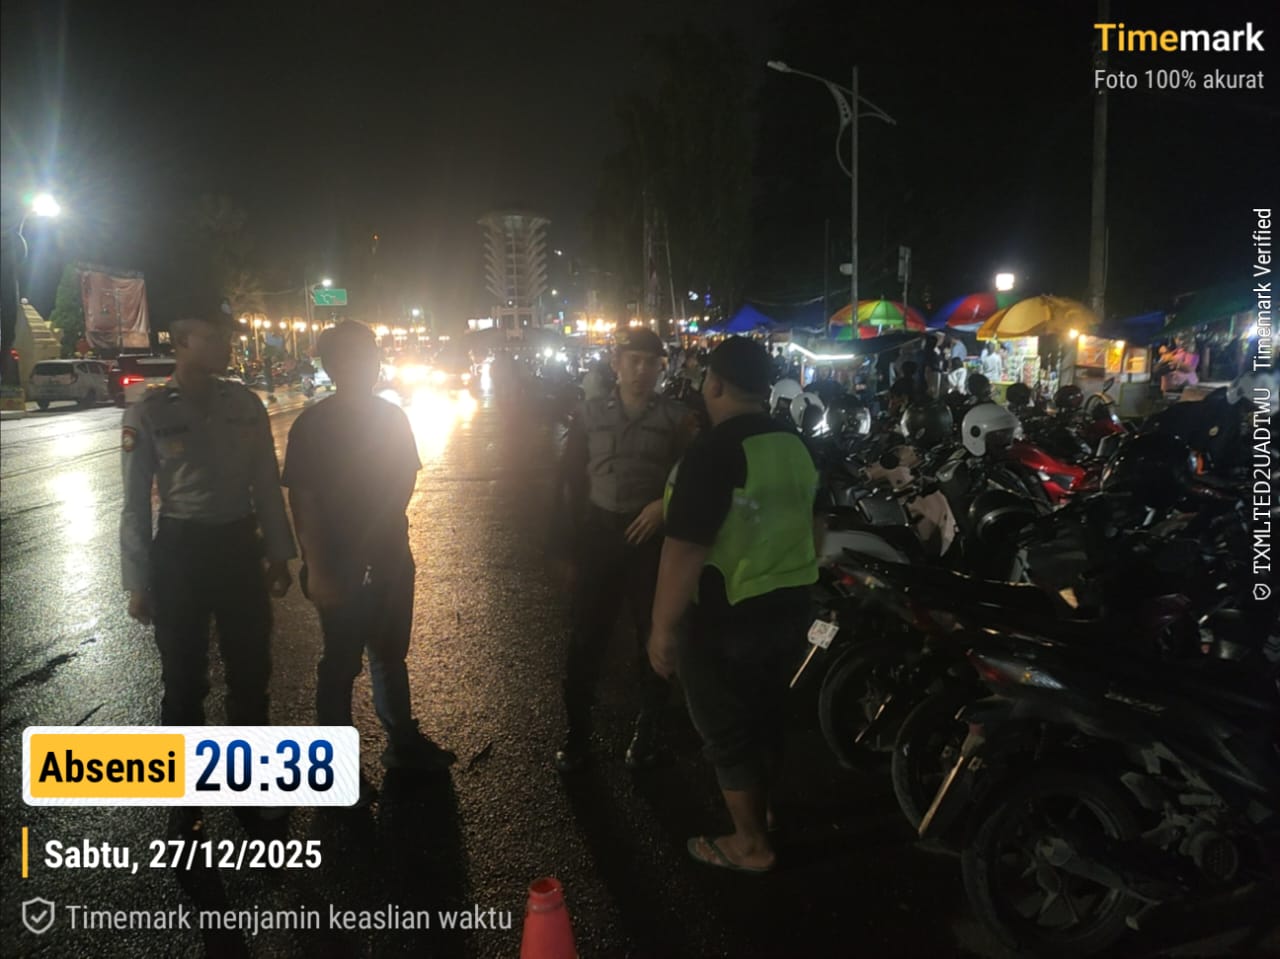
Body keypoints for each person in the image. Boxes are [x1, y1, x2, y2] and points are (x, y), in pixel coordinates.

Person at [648, 336, 819, 873]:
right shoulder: (797, 442)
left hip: (727, 617)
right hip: (790, 608)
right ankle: (762, 813)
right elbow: (818, 524)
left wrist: (661, 628)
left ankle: (751, 845)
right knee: (767, 718)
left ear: (715, 384)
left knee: (726, 732)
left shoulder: (714, 451)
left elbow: (684, 550)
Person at [281, 321, 455, 790]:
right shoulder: (313, 426)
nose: (369, 364)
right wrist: (318, 567)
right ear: (335, 365)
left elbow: (405, 479)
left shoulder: (391, 418)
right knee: (340, 664)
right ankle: (333, 770)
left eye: (372, 355)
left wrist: (383, 536)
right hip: (338, 562)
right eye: (358, 356)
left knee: (390, 652)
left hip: (391, 554)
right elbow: (303, 500)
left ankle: (402, 742)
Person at [549, 328, 698, 772]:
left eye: (651, 363)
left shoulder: (676, 419)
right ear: (616, 363)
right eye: (633, 360)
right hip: (600, 536)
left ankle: (646, 736)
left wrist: (664, 505)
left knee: (653, 639)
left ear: (661, 368)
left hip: (650, 541)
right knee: (585, 638)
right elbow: (569, 479)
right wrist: (565, 548)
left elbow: (693, 474)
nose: (641, 370)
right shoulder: (589, 414)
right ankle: (578, 736)